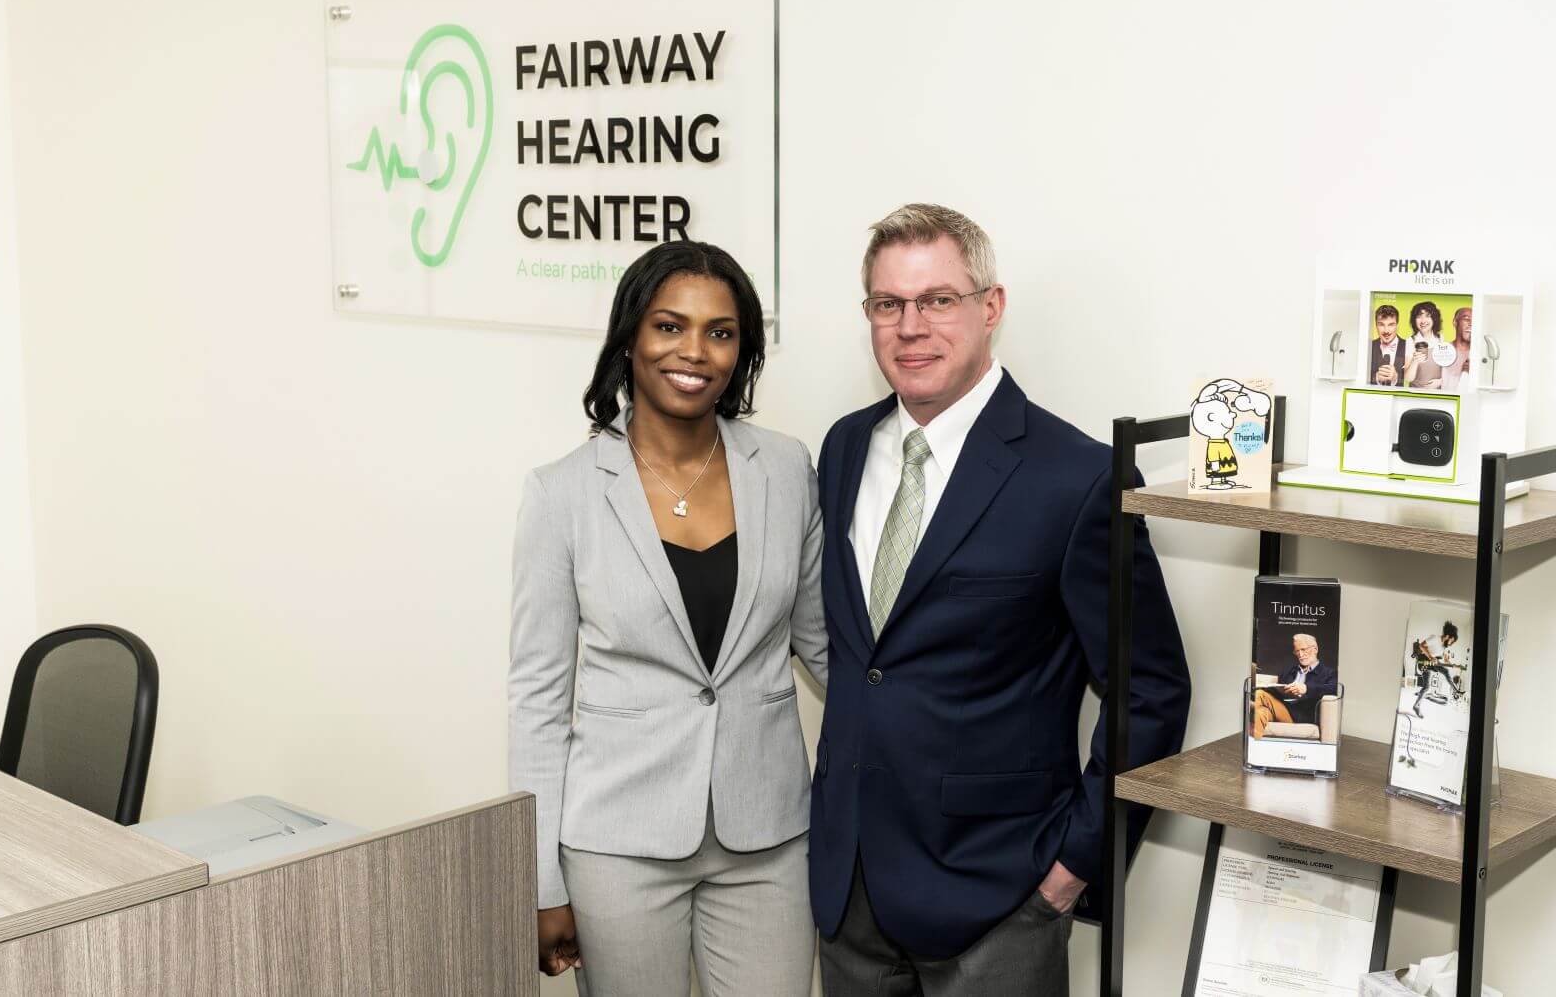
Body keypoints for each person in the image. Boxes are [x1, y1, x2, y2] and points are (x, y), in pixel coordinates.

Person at [809, 203, 1190, 996]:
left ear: (991, 307)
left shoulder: (1078, 477)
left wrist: (1074, 864)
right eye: (889, 304)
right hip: (848, 894)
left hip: (997, 903)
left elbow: (1150, 690)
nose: (910, 326)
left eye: (938, 299)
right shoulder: (844, 448)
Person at [508, 240, 827, 997]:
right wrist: (541, 879)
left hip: (768, 836)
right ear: (631, 337)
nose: (694, 351)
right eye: (669, 326)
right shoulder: (563, 494)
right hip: (619, 844)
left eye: (720, 332)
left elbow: (827, 648)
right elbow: (537, 702)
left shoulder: (786, 468)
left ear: (742, 350)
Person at [1250, 634, 1336, 739]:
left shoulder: (1328, 673)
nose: (1300, 654)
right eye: (1297, 651)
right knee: (1260, 712)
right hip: (1283, 710)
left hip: (1302, 716)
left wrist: (1306, 688)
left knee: (1259, 695)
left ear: (1315, 649)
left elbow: (1333, 688)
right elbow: (1278, 694)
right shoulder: (1289, 671)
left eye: (1303, 649)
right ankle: (1256, 748)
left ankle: (1250, 705)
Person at [1403, 300, 1445, 389]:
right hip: (1416, 395)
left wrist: (1441, 381)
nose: (1423, 321)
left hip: (1438, 393)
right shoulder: (1410, 341)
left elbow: (1446, 369)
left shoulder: (1440, 338)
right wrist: (1415, 361)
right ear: (1414, 320)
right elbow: (1408, 378)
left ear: (1434, 319)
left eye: (1427, 316)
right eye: (1419, 316)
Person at [1368, 304, 1409, 386]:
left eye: (1391, 325)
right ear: (1376, 325)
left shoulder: (1409, 346)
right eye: (1381, 324)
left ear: (1397, 325)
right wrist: (1376, 378)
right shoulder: (1368, 347)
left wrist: (1396, 378)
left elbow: (1415, 382)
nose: (1386, 330)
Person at [1440, 306, 1473, 391]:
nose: (1471, 323)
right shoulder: (1442, 350)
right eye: (1466, 319)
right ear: (1455, 322)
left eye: (1474, 320)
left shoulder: (1479, 356)